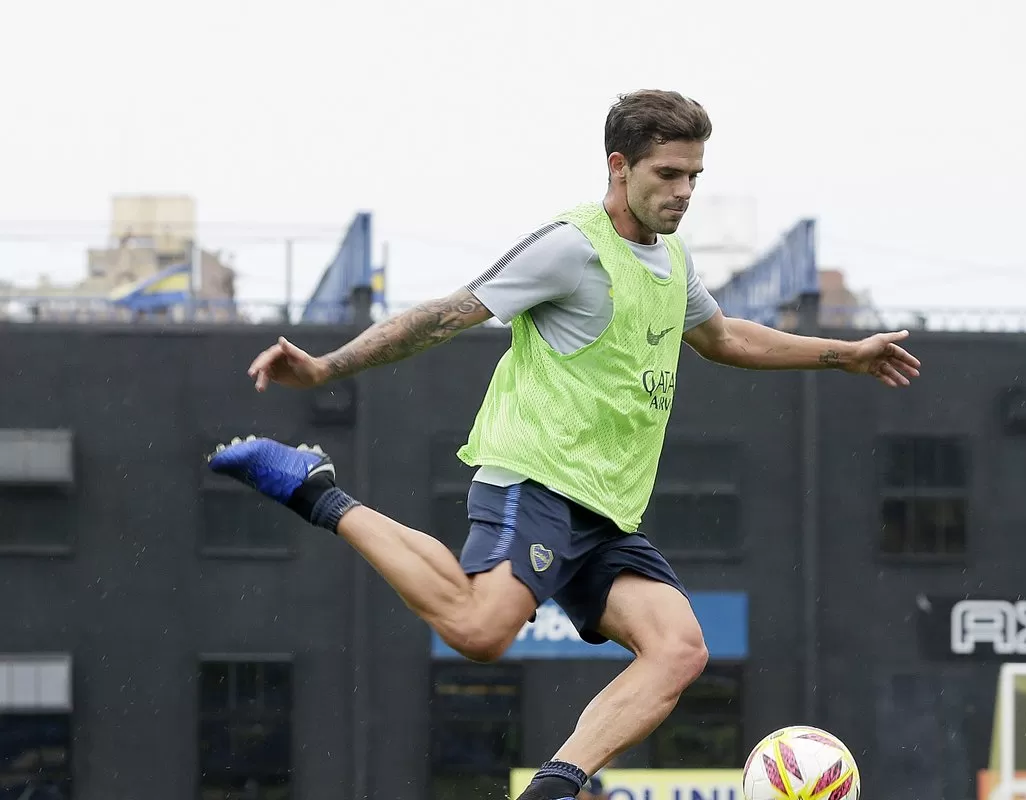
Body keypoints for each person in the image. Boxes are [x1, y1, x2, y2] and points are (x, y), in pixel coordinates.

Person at [207, 89, 921, 800]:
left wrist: (846, 353)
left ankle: (555, 787)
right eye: (668, 175)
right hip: (537, 479)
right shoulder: (571, 248)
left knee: (677, 650)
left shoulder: (673, 262)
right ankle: (313, 488)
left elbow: (728, 338)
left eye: (694, 176)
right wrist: (327, 366)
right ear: (620, 167)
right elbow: (445, 315)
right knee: (482, 631)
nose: (684, 192)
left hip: (607, 513)